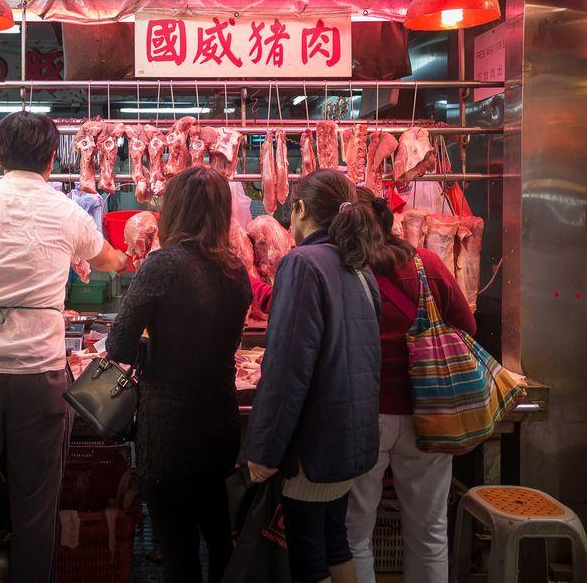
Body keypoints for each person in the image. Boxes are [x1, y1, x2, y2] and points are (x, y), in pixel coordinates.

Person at [0, 111, 128, 582]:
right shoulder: (67, 212)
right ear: (53, 160)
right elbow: (111, 262)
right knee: (36, 506)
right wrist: (133, 243)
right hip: (40, 378)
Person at [105, 165, 252, 583]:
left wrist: (154, 352)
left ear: (175, 210)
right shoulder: (236, 269)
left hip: (169, 432)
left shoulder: (163, 264)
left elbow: (118, 345)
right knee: (221, 539)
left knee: (179, 550)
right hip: (221, 424)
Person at [246, 168, 384, 583]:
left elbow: (288, 367)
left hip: (314, 444)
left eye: (292, 212)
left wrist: (264, 451)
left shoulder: (303, 262)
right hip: (349, 438)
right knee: (333, 541)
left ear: (302, 209)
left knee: (307, 555)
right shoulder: (358, 268)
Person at [346, 188, 476, 583]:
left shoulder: (349, 272)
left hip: (366, 414)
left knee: (355, 534)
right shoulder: (429, 266)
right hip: (428, 414)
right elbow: (468, 329)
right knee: (429, 532)